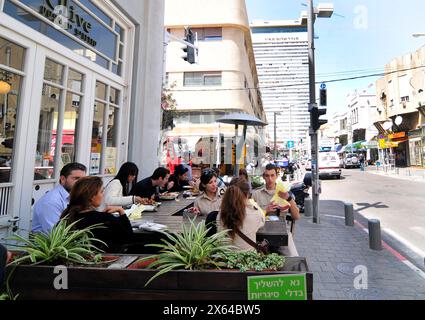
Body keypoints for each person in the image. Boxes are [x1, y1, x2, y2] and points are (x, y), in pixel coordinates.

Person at [60, 176, 134, 253]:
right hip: (103, 261)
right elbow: (129, 238)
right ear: (91, 196)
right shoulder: (105, 219)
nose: (103, 195)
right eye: (101, 192)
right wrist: (121, 211)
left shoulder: (66, 216)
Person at [251, 163, 300, 256]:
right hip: (260, 234)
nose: (270, 179)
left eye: (272, 175)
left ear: (276, 176)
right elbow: (250, 216)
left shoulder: (284, 192)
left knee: (293, 257)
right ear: (263, 177)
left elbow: (296, 216)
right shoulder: (256, 194)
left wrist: (288, 198)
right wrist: (266, 210)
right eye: (267, 176)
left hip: (282, 234)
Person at [32, 162, 87, 234]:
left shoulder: (76, 196)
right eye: (76, 178)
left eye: (83, 179)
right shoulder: (51, 201)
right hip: (52, 243)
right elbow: (55, 233)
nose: (81, 183)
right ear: (63, 179)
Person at [217, 177, 265, 252]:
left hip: (224, 260)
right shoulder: (255, 214)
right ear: (247, 195)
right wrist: (252, 203)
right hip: (247, 261)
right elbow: (262, 220)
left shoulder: (221, 214)